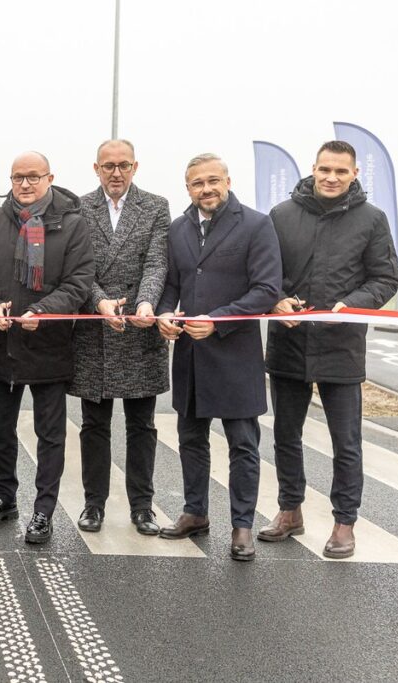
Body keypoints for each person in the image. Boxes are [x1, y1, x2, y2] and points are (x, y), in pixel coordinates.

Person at [260, 140, 398, 559]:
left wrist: (352, 306)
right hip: (289, 341)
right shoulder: (282, 215)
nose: (332, 177)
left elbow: (385, 277)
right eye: (325, 169)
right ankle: (290, 510)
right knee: (285, 434)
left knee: (346, 441)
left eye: (341, 171)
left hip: (341, 345)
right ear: (313, 169)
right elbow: (266, 272)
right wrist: (277, 299)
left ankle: (344, 522)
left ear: (354, 173)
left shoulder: (372, 219)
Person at [156, 153, 281, 561]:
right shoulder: (178, 229)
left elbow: (265, 290)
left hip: (235, 355)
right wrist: (166, 314)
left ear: (227, 181)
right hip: (190, 356)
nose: (206, 189)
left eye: (213, 181)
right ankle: (195, 512)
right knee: (191, 440)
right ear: (187, 188)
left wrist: (217, 320)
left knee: (243, 445)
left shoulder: (257, 225)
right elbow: (172, 284)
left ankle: (242, 526)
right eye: (197, 183)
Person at [0, 151, 94, 544]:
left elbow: (78, 283)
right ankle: (6, 499)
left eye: (33, 177)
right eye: (17, 177)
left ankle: (43, 511)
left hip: (49, 346)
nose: (24, 184)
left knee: (50, 435)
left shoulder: (73, 225)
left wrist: (44, 309)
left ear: (50, 178)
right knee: (0, 431)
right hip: (2, 346)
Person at [69, 140, 170, 536]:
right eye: (108, 166)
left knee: (141, 426)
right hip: (96, 330)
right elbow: (77, 266)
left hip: (139, 331)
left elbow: (157, 261)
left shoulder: (156, 206)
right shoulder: (79, 207)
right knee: (94, 425)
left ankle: (142, 506)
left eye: (123, 165)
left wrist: (145, 303)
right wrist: (99, 301)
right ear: (96, 168)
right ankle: (93, 504)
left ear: (135, 167)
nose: (116, 172)